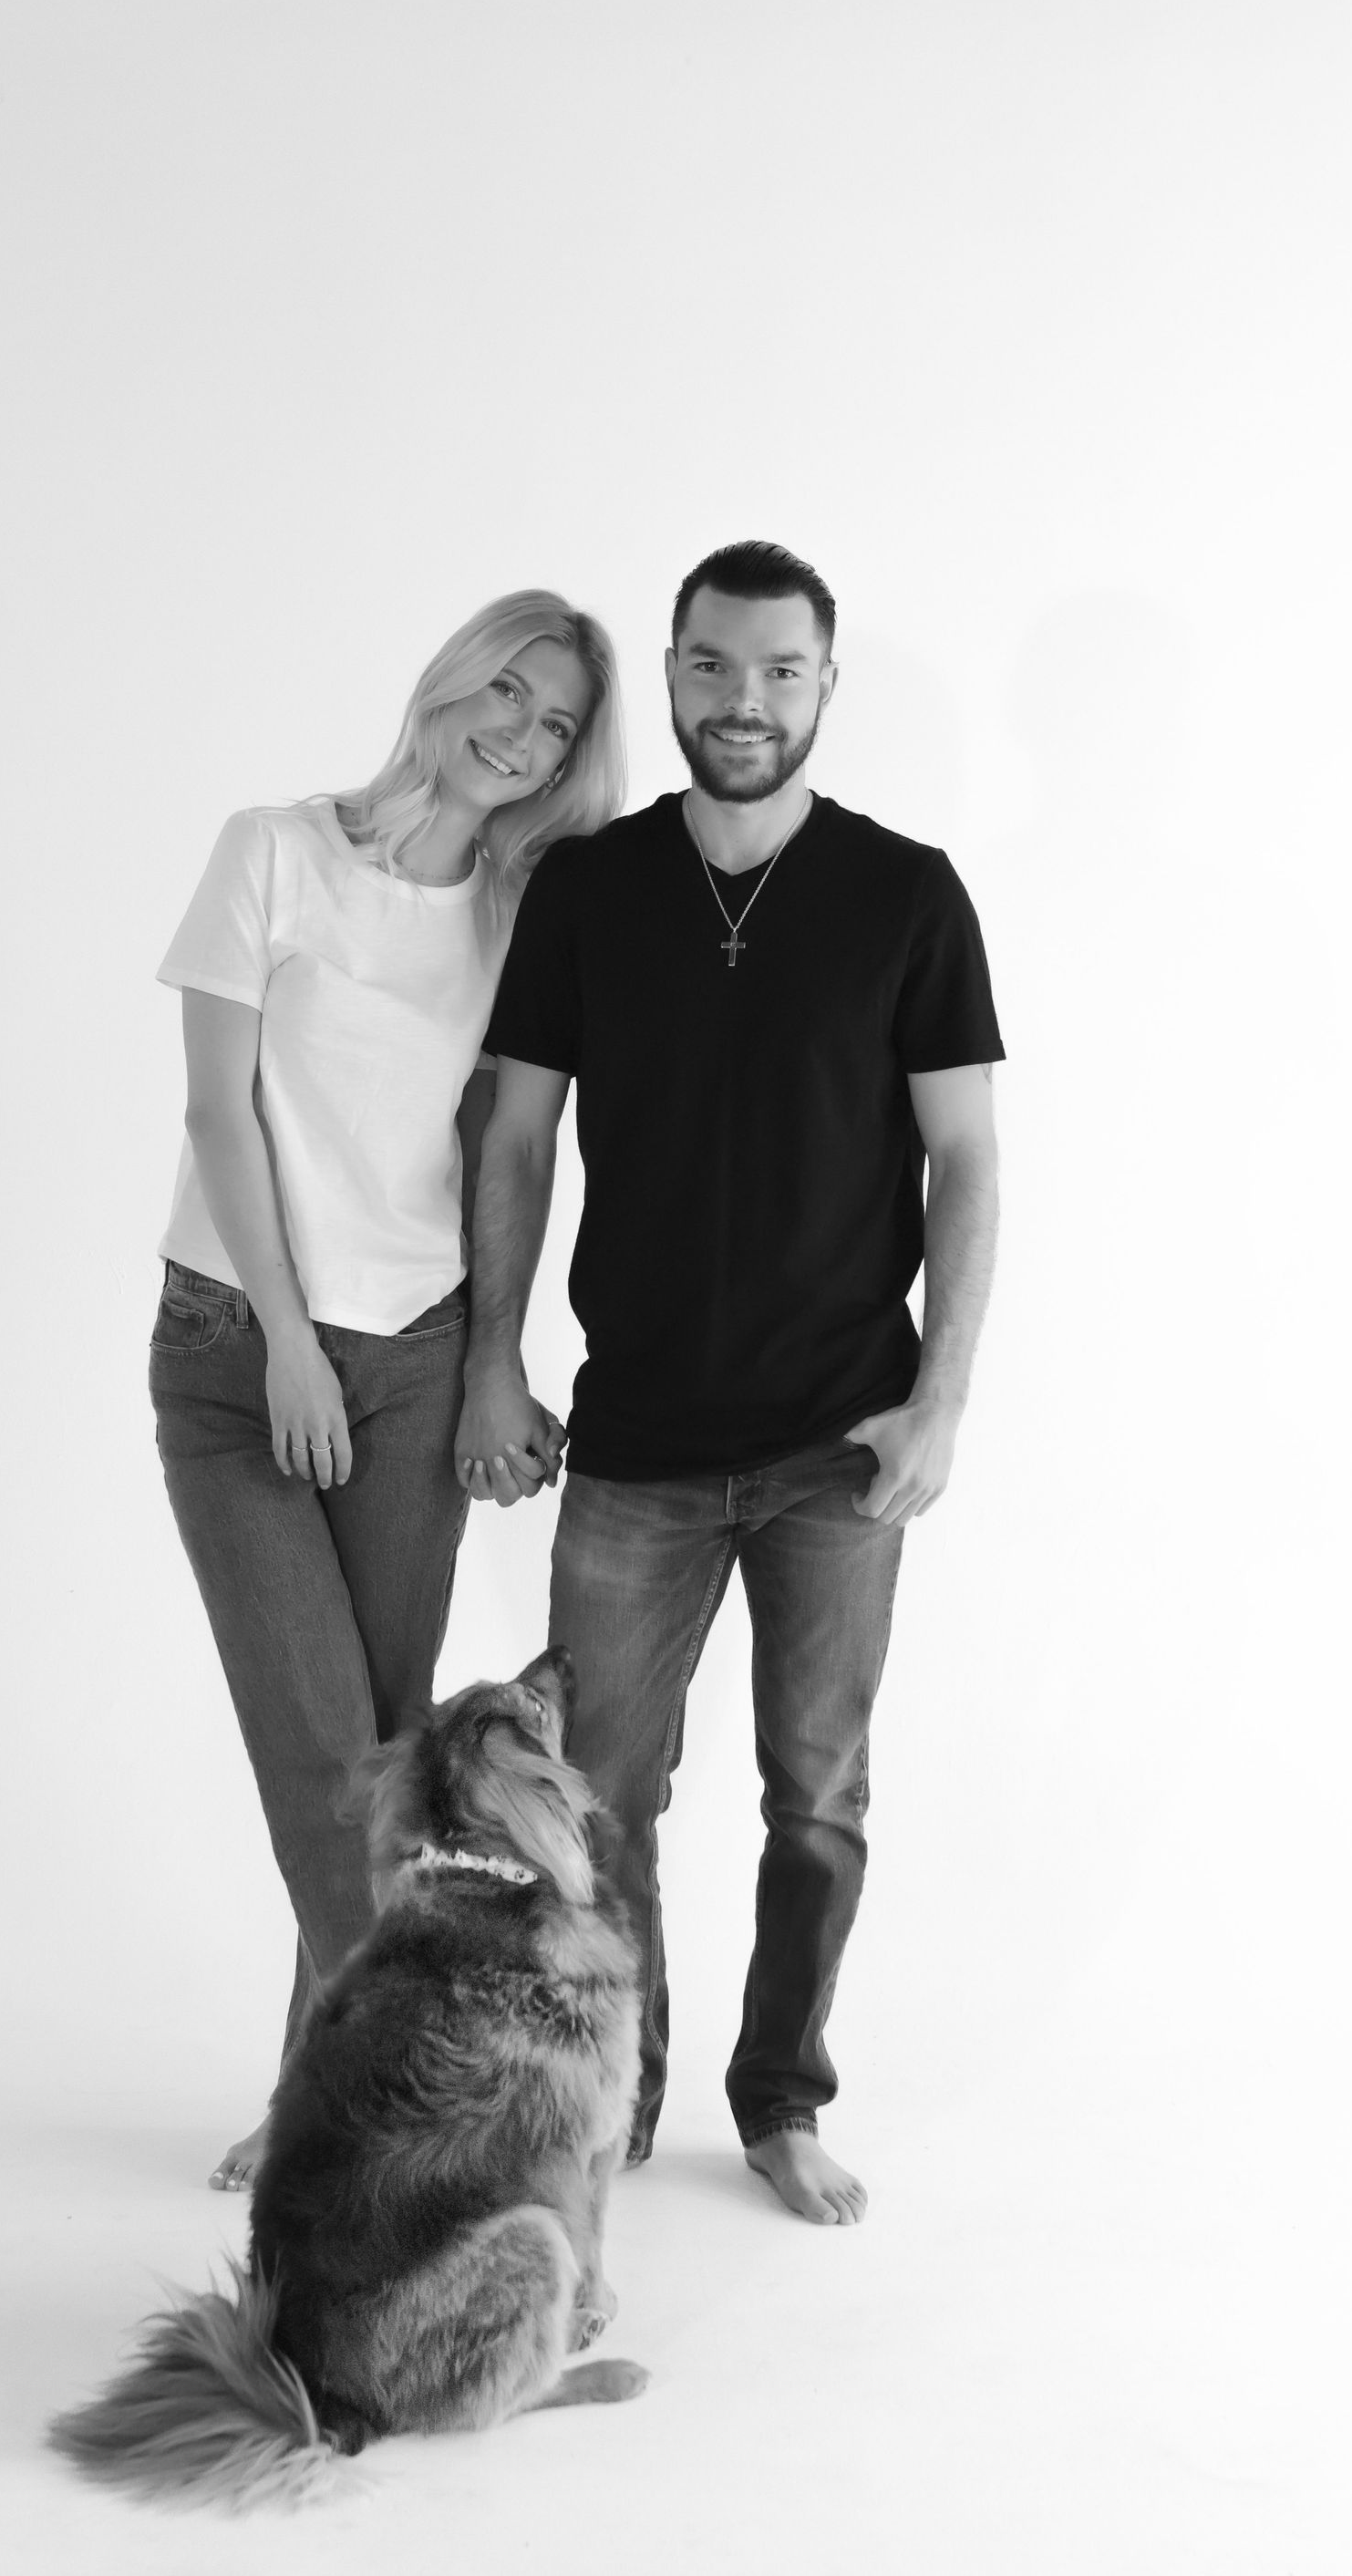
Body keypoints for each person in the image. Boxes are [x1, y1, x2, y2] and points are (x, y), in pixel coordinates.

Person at [454, 541, 1003, 2228]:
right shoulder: (589, 888)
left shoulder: (909, 894)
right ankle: (611, 2098)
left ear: (826, 684)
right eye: (709, 666)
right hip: (638, 1439)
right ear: (672, 674)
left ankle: (778, 2098)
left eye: (778, 671)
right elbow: (518, 1133)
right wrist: (494, 1357)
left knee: (815, 1792)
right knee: (601, 1793)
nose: (742, 702)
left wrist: (945, 1399)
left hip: (844, 1438)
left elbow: (969, 1158)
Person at [150, 589, 624, 2189]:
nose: (522, 733)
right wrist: (285, 1333)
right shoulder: (273, 848)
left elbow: (510, 1149)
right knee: (318, 1762)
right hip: (240, 1350)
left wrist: (497, 1364)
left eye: (558, 723)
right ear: (449, 677)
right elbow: (223, 1115)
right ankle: (442, 2084)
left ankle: (316, 2097)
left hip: (416, 1359)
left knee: (380, 1750)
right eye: (509, 689)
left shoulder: (516, 913)